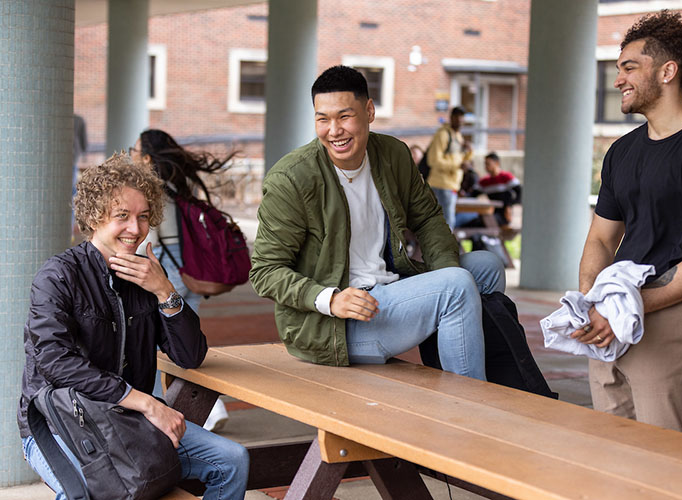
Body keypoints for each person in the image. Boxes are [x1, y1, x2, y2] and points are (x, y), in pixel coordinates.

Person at [249, 65, 504, 380]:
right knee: (457, 287)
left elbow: (427, 218)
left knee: (486, 267)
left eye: (345, 116)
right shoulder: (292, 178)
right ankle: (469, 411)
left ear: (368, 111)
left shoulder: (392, 155)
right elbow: (265, 271)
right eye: (322, 119)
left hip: (390, 290)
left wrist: (446, 270)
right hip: (336, 325)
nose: (334, 130)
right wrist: (330, 299)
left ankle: (462, 354)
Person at [18, 153, 250, 499]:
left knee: (233, 460)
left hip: (129, 422)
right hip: (61, 424)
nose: (135, 228)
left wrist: (165, 291)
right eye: (122, 216)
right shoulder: (59, 275)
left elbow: (190, 355)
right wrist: (145, 402)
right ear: (95, 217)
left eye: (143, 217)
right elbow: (55, 362)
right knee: (92, 491)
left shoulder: (147, 277)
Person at [574, 10, 682, 434]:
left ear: (668, 71)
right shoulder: (622, 151)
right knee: (611, 453)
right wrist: (592, 301)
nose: (618, 79)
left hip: (673, 313)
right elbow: (600, 237)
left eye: (630, 67)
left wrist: (628, 308)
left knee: (664, 459)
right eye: (618, 69)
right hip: (614, 313)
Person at [131, 129, 233, 432]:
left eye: (135, 150)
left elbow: (150, 235)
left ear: (147, 157)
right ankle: (211, 408)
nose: (132, 155)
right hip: (189, 266)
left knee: (154, 343)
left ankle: (199, 409)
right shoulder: (182, 182)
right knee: (184, 338)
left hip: (165, 264)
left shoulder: (150, 188)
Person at [425, 106, 472, 230]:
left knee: (447, 223)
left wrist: (469, 152)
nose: (460, 121)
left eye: (462, 118)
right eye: (457, 118)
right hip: (441, 185)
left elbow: (459, 158)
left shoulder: (458, 136)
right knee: (446, 223)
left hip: (451, 185)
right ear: (451, 118)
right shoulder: (443, 135)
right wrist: (457, 166)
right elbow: (433, 160)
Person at [454, 152, 522, 230]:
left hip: (504, 216)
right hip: (490, 213)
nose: (486, 167)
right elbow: (472, 194)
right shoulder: (485, 182)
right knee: (468, 224)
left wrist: (509, 205)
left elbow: (520, 192)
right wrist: (463, 195)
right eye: (485, 164)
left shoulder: (506, 177)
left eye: (488, 164)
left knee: (482, 222)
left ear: (497, 163)